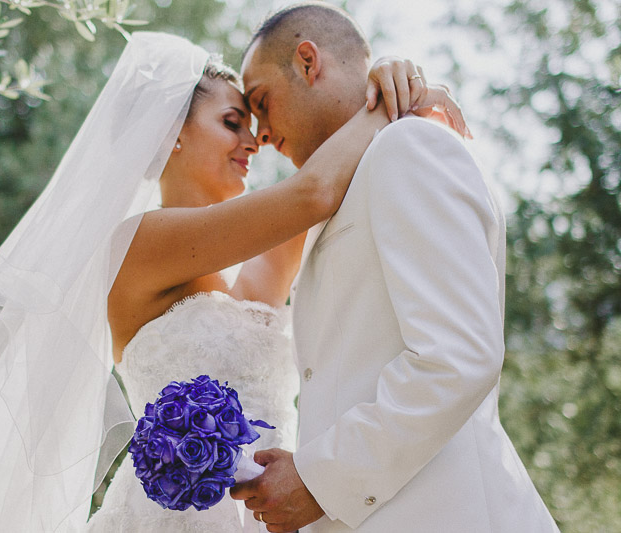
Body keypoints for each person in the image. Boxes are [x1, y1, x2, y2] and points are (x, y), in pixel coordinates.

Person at [0, 32, 467, 532]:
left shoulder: (245, 281)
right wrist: (385, 104)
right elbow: (312, 191)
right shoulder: (135, 243)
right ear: (170, 135)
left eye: (257, 129)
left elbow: (319, 169)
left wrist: (390, 77)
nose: (256, 142)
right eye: (233, 123)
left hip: (272, 515)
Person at [229, 3, 560, 533]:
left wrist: (318, 479)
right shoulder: (339, 194)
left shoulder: (410, 147)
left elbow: (458, 357)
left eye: (262, 103)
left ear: (308, 61)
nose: (260, 134)